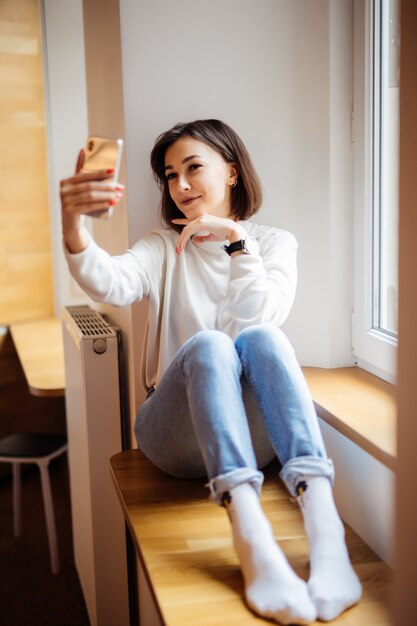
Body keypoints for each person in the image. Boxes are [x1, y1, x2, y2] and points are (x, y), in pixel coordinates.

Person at [60, 119, 362, 625]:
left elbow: (257, 320)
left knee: (262, 339)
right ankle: (250, 535)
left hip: (255, 435)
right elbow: (109, 283)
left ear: (233, 172)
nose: (179, 186)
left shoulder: (276, 242)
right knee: (210, 346)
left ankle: (324, 529)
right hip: (173, 434)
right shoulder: (161, 246)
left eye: (193, 168)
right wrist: (73, 228)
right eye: (169, 175)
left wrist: (237, 242)